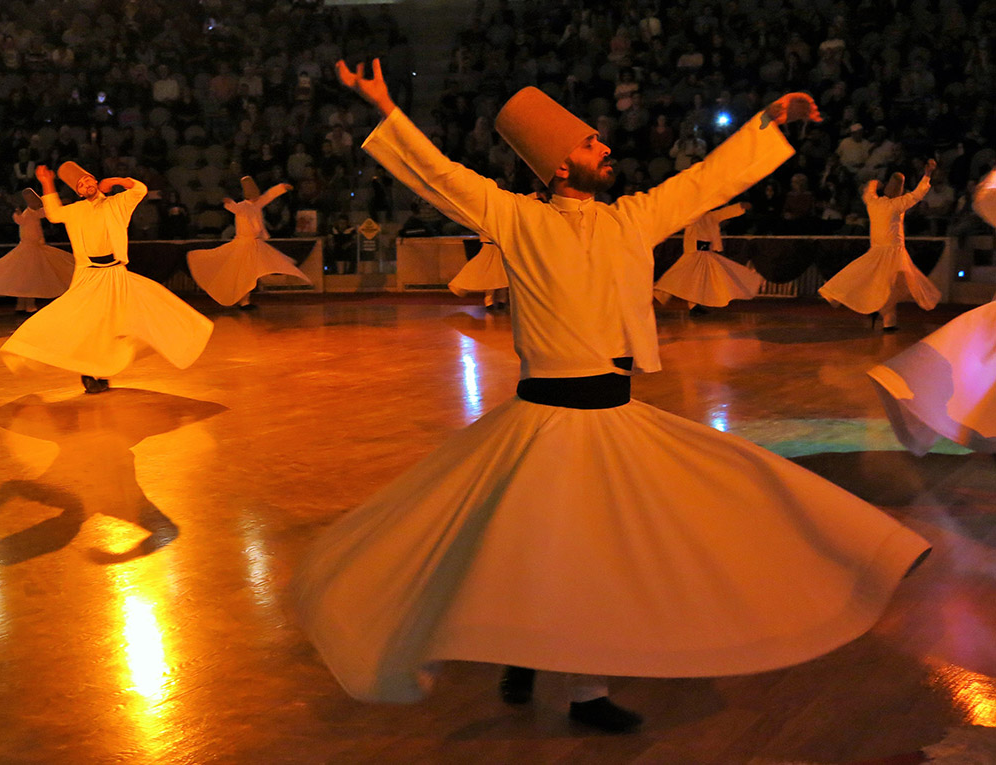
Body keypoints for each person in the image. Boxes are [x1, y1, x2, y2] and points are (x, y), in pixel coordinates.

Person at [292, 60, 929, 734]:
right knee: (556, 545)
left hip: (611, 412)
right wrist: (387, 108)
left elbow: (706, 180)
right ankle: (580, 688)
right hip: (545, 417)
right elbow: (438, 175)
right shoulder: (514, 218)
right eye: (591, 143)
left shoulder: (633, 218)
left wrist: (769, 123)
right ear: (560, 168)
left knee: (580, 541)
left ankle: (530, 656)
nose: (606, 148)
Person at [0, 162, 212, 394]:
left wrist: (117, 181)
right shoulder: (75, 211)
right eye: (81, 184)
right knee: (83, 322)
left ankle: (102, 369)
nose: (86, 184)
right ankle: (78, 366)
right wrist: (47, 183)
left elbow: (139, 190)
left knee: (128, 319)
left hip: (116, 274)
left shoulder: (118, 204)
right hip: (88, 275)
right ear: (79, 192)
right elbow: (53, 214)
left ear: (96, 182)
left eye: (89, 179)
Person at [867, 167, 996, 454]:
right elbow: (986, 197)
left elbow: (985, 197)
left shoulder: (896, 203)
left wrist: (922, 179)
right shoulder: (879, 202)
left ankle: (886, 319)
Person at [818, 161, 941, 331]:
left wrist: (875, 183)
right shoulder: (897, 205)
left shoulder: (874, 203)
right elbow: (917, 195)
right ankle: (886, 319)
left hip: (879, 251)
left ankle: (882, 316)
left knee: (870, 280)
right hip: (893, 253)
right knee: (890, 287)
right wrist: (927, 175)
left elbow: (868, 192)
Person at [186, 177, 311, 310]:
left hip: (254, 244)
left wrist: (281, 187)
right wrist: (229, 203)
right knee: (244, 274)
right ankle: (243, 300)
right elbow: (235, 209)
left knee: (250, 274)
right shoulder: (243, 207)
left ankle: (245, 300)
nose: (257, 197)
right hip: (244, 245)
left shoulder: (257, 203)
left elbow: (268, 196)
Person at [0, 189, 74, 312]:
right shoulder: (28, 214)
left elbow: (46, 213)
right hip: (29, 249)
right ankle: (26, 305)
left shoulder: (32, 213)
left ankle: (24, 304)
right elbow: (28, 218)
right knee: (27, 277)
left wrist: (58, 203)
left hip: (34, 248)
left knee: (28, 277)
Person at [654, 201, 760, 313]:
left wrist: (739, 207)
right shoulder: (692, 216)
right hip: (695, 252)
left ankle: (688, 303)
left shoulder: (709, 216)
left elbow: (723, 213)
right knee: (682, 275)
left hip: (703, 252)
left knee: (692, 278)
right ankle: (662, 293)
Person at [448, 238, 508, 310]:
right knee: (496, 275)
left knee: (500, 275)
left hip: (498, 246)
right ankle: (494, 302)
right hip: (492, 246)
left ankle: (495, 302)